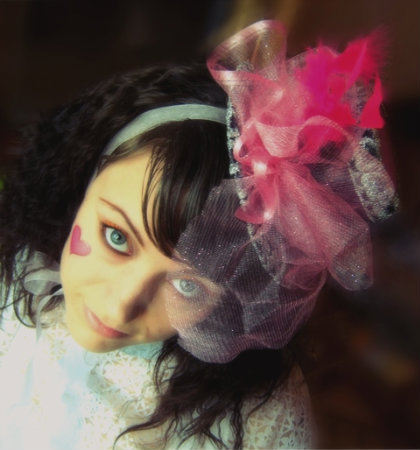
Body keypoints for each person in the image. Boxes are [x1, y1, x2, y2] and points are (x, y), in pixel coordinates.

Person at [0, 20, 397, 450]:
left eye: (188, 286)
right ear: (83, 184)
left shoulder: (252, 422)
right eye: (116, 237)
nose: (119, 307)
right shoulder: (17, 279)